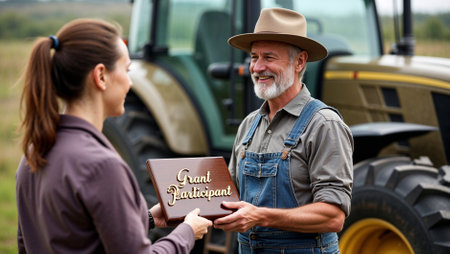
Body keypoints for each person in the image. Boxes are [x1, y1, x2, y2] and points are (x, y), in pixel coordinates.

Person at [16, 18, 212, 254]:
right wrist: (187, 232)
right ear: (100, 76)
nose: (130, 82)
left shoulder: (32, 156)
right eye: (127, 69)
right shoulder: (103, 166)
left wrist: (147, 219)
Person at [213, 8, 354, 253]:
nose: (257, 67)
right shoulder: (248, 125)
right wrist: (178, 204)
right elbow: (228, 198)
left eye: (269, 57)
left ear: (299, 61)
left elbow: (333, 217)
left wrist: (260, 216)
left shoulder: (323, 125)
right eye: (254, 57)